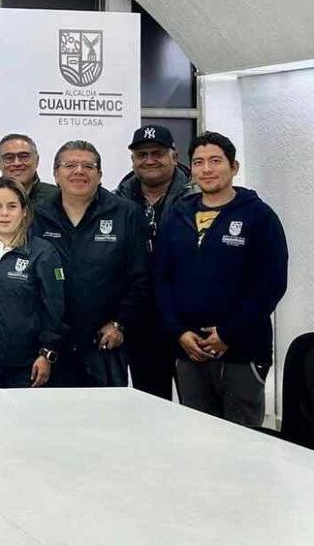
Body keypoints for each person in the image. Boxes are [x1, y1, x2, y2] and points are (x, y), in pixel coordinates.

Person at [155, 132, 288, 426]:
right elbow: (162, 279)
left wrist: (228, 333)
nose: (206, 169)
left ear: (234, 167)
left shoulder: (259, 216)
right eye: (199, 162)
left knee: (243, 440)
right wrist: (179, 331)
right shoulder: (178, 215)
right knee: (199, 439)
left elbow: (272, 283)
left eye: (215, 161)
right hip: (189, 349)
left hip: (241, 349)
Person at [34, 140, 150, 388]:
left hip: (105, 342)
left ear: (99, 174)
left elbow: (140, 277)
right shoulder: (38, 215)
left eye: (88, 166)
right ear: (55, 174)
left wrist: (120, 323)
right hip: (53, 345)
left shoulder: (126, 213)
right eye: (70, 165)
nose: (79, 171)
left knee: (106, 421)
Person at [114, 125, 196, 400]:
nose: (150, 160)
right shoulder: (117, 202)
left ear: (174, 155)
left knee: (199, 410)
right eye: (142, 154)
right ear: (133, 161)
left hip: (189, 319)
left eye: (158, 153)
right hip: (142, 322)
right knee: (151, 405)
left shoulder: (199, 198)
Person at [0, 178, 67, 388]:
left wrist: (47, 353)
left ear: (24, 211)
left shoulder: (43, 253)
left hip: (27, 366)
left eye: (12, 206)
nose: (4, 213)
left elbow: (55, 310)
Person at [0, 133, 58, 212]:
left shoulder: (57, 196)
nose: (17, 163)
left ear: (37, 160)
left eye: (24, 157)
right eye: (9, 158)